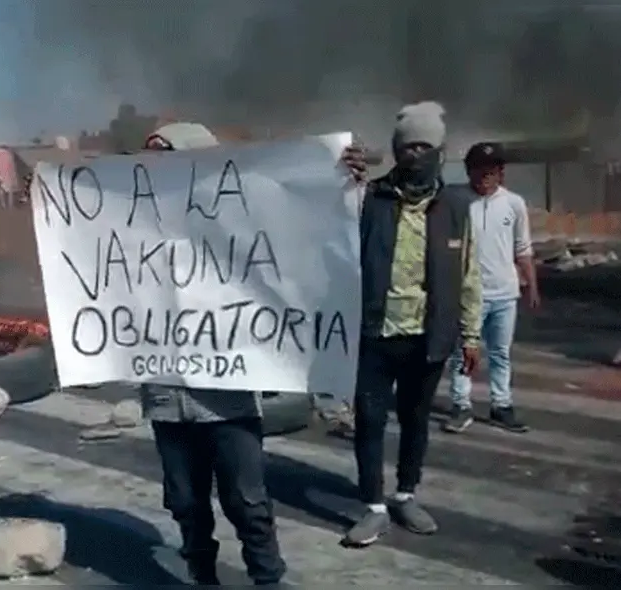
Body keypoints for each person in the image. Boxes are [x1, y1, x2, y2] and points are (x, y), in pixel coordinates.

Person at [141, 122, 367, 585]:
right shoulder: (135, 225)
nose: (153, 170)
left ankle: (267, 580)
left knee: (248, 503)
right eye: (148, 161)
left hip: (228, 396)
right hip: (167, 397)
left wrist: (343, 183)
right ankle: (203, 576)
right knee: (184, 503)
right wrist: (44, 197)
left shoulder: (242, 220)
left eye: (166, 158)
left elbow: (310, 229)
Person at [343, 102, 482, 548]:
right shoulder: (370, 198)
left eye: (425, 146)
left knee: (416, 420)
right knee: (368, 419)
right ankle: (373, 506)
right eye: (407, 146)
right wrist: (337, 174)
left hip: (428, 336)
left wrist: (471, 334)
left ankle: (405, 494)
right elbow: (329, 225)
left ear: (440, 151)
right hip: (375, 333)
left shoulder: (456, 206)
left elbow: (469, 274)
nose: (415, 154)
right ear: (396, 151)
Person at [444, 142, 538, 434]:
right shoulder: (453, 199)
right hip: (467, 294)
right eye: (480, 169)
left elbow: (522, 248)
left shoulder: (514, 204)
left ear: (501, 172)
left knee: (500, 353)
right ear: (469, 170)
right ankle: (461, 405)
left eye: (492, 169)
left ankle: (501, 405)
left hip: (504, 293)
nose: (486, 175)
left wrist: (531, 285)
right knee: (462, 353)